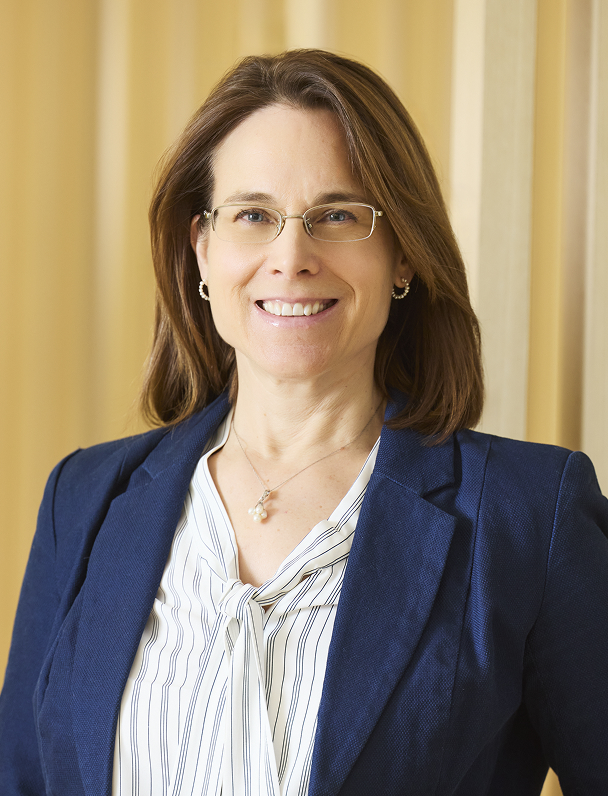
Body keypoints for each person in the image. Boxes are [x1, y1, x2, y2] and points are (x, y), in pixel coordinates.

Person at [1, 48, 607, 796]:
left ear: (403, 257)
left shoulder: (528, 518)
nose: (291, 256)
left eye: (337, 216)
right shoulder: (83, 500)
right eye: (253, 215)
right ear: (202, 248)